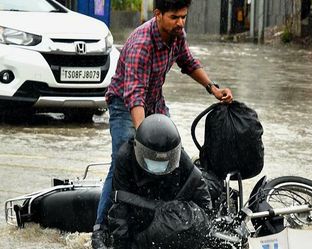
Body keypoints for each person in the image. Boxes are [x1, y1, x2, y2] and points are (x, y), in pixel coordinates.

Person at [92, 0, 233, 247]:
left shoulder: (177, 34)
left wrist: (213, 88)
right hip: (125, 106)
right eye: (174, 17)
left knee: (173, 152)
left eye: (183, 17)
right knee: (122, 163)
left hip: (155, 102)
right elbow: (133, 93)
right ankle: (101, 228)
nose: (180, 22)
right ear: (158, 15)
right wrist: (143, 135)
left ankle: (163, 213)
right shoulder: (141, 45)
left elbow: (188, 62)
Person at [108, 114, 212, 249]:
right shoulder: (126, 157)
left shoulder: (181, 158)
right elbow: (119, 209)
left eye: (165, 161)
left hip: (170, 214)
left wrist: (203, 228)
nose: (159, 169)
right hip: (140, 214)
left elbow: (201, 193)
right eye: (154, 161)